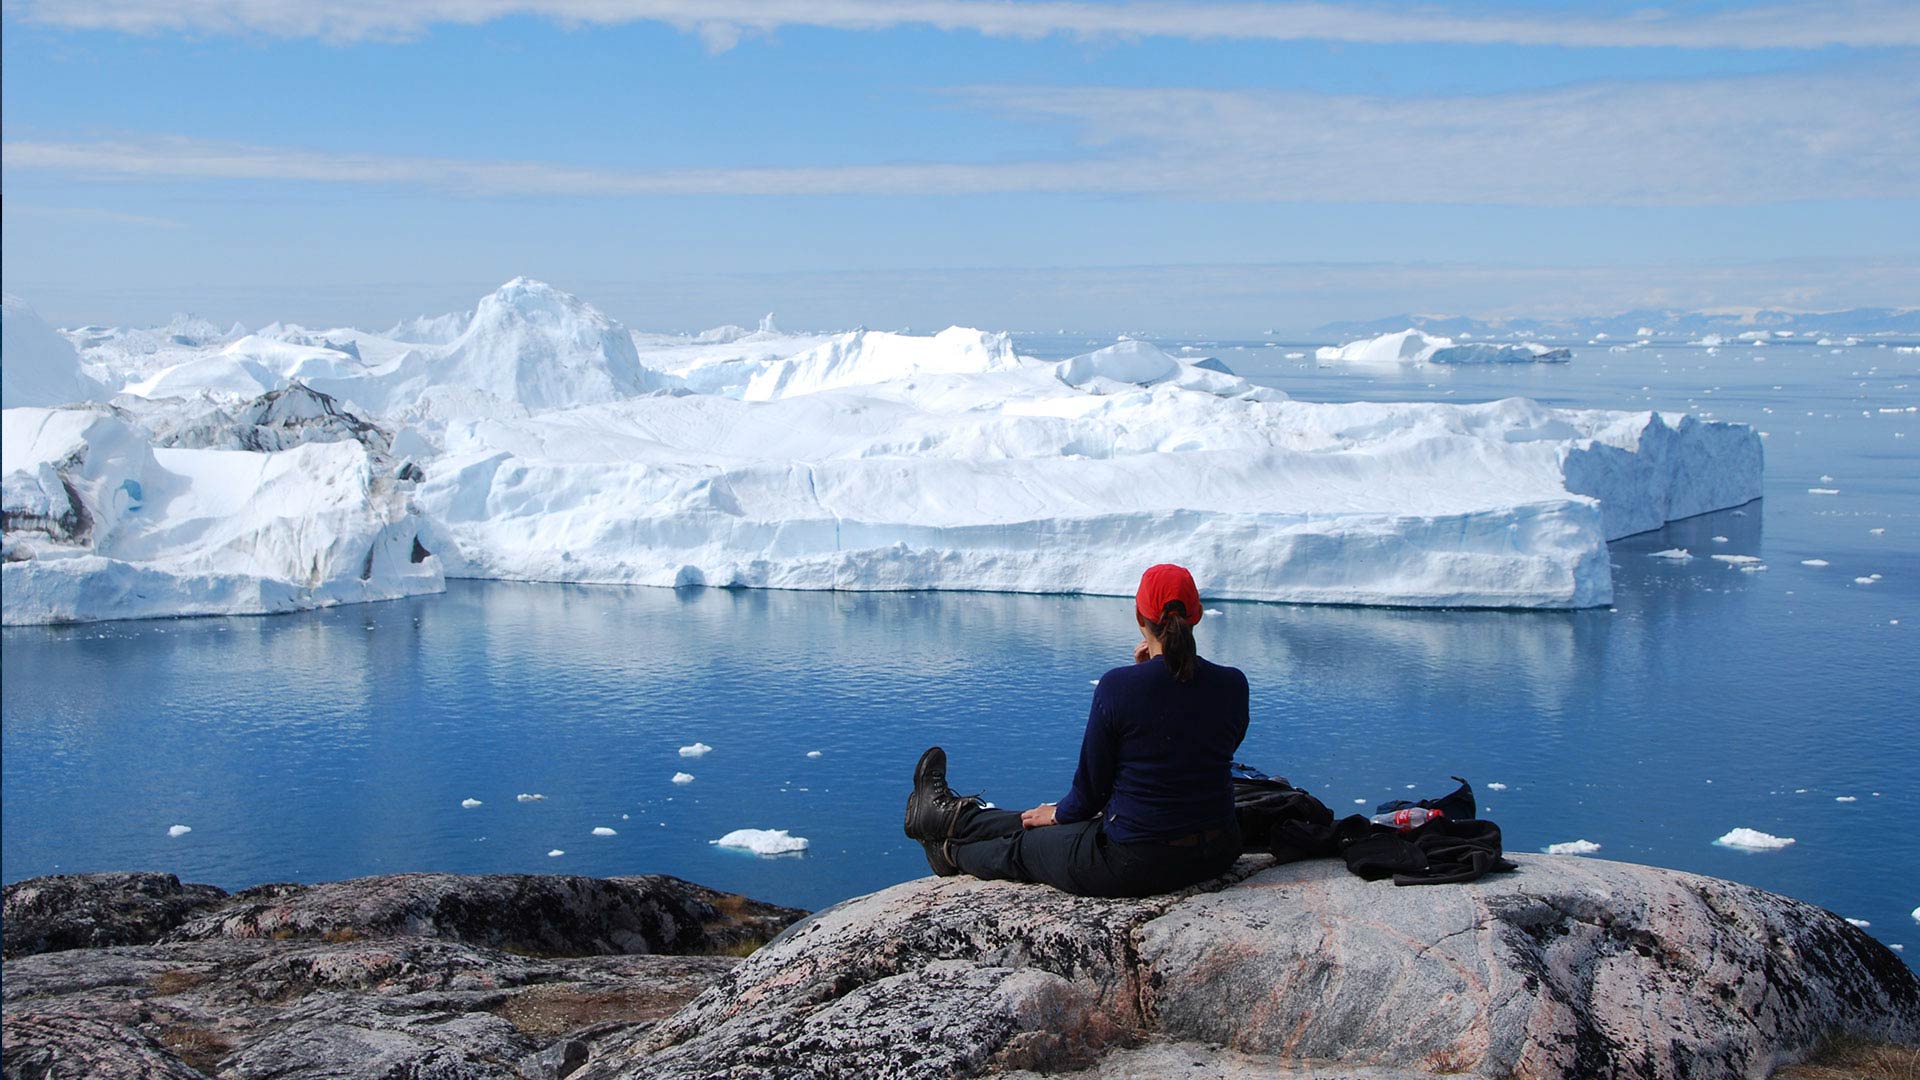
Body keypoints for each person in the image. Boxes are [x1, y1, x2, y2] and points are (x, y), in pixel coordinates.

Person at [903, 564, 1249, 898]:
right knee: (1043, 820)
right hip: (1216, 851)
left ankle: (946, 852)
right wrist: (1144, 679)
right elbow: (1201, 750)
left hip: (1137, 861)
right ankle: (954, 817)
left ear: (1139, 618)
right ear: (1197, 616)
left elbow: (1089, 795)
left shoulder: (1118, 687)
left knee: (1027, 845)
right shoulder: (1233, 684)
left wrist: (1059, 814)